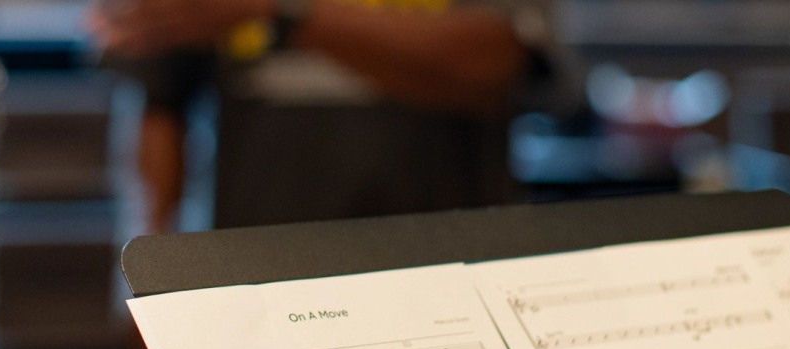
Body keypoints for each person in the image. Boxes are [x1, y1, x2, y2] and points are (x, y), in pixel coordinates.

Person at [87, 0, 568, 231]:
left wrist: (280, 14)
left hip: (447, 260)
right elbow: (157, 95)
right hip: (254, 277)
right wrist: (142, 268)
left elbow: (494, 66)